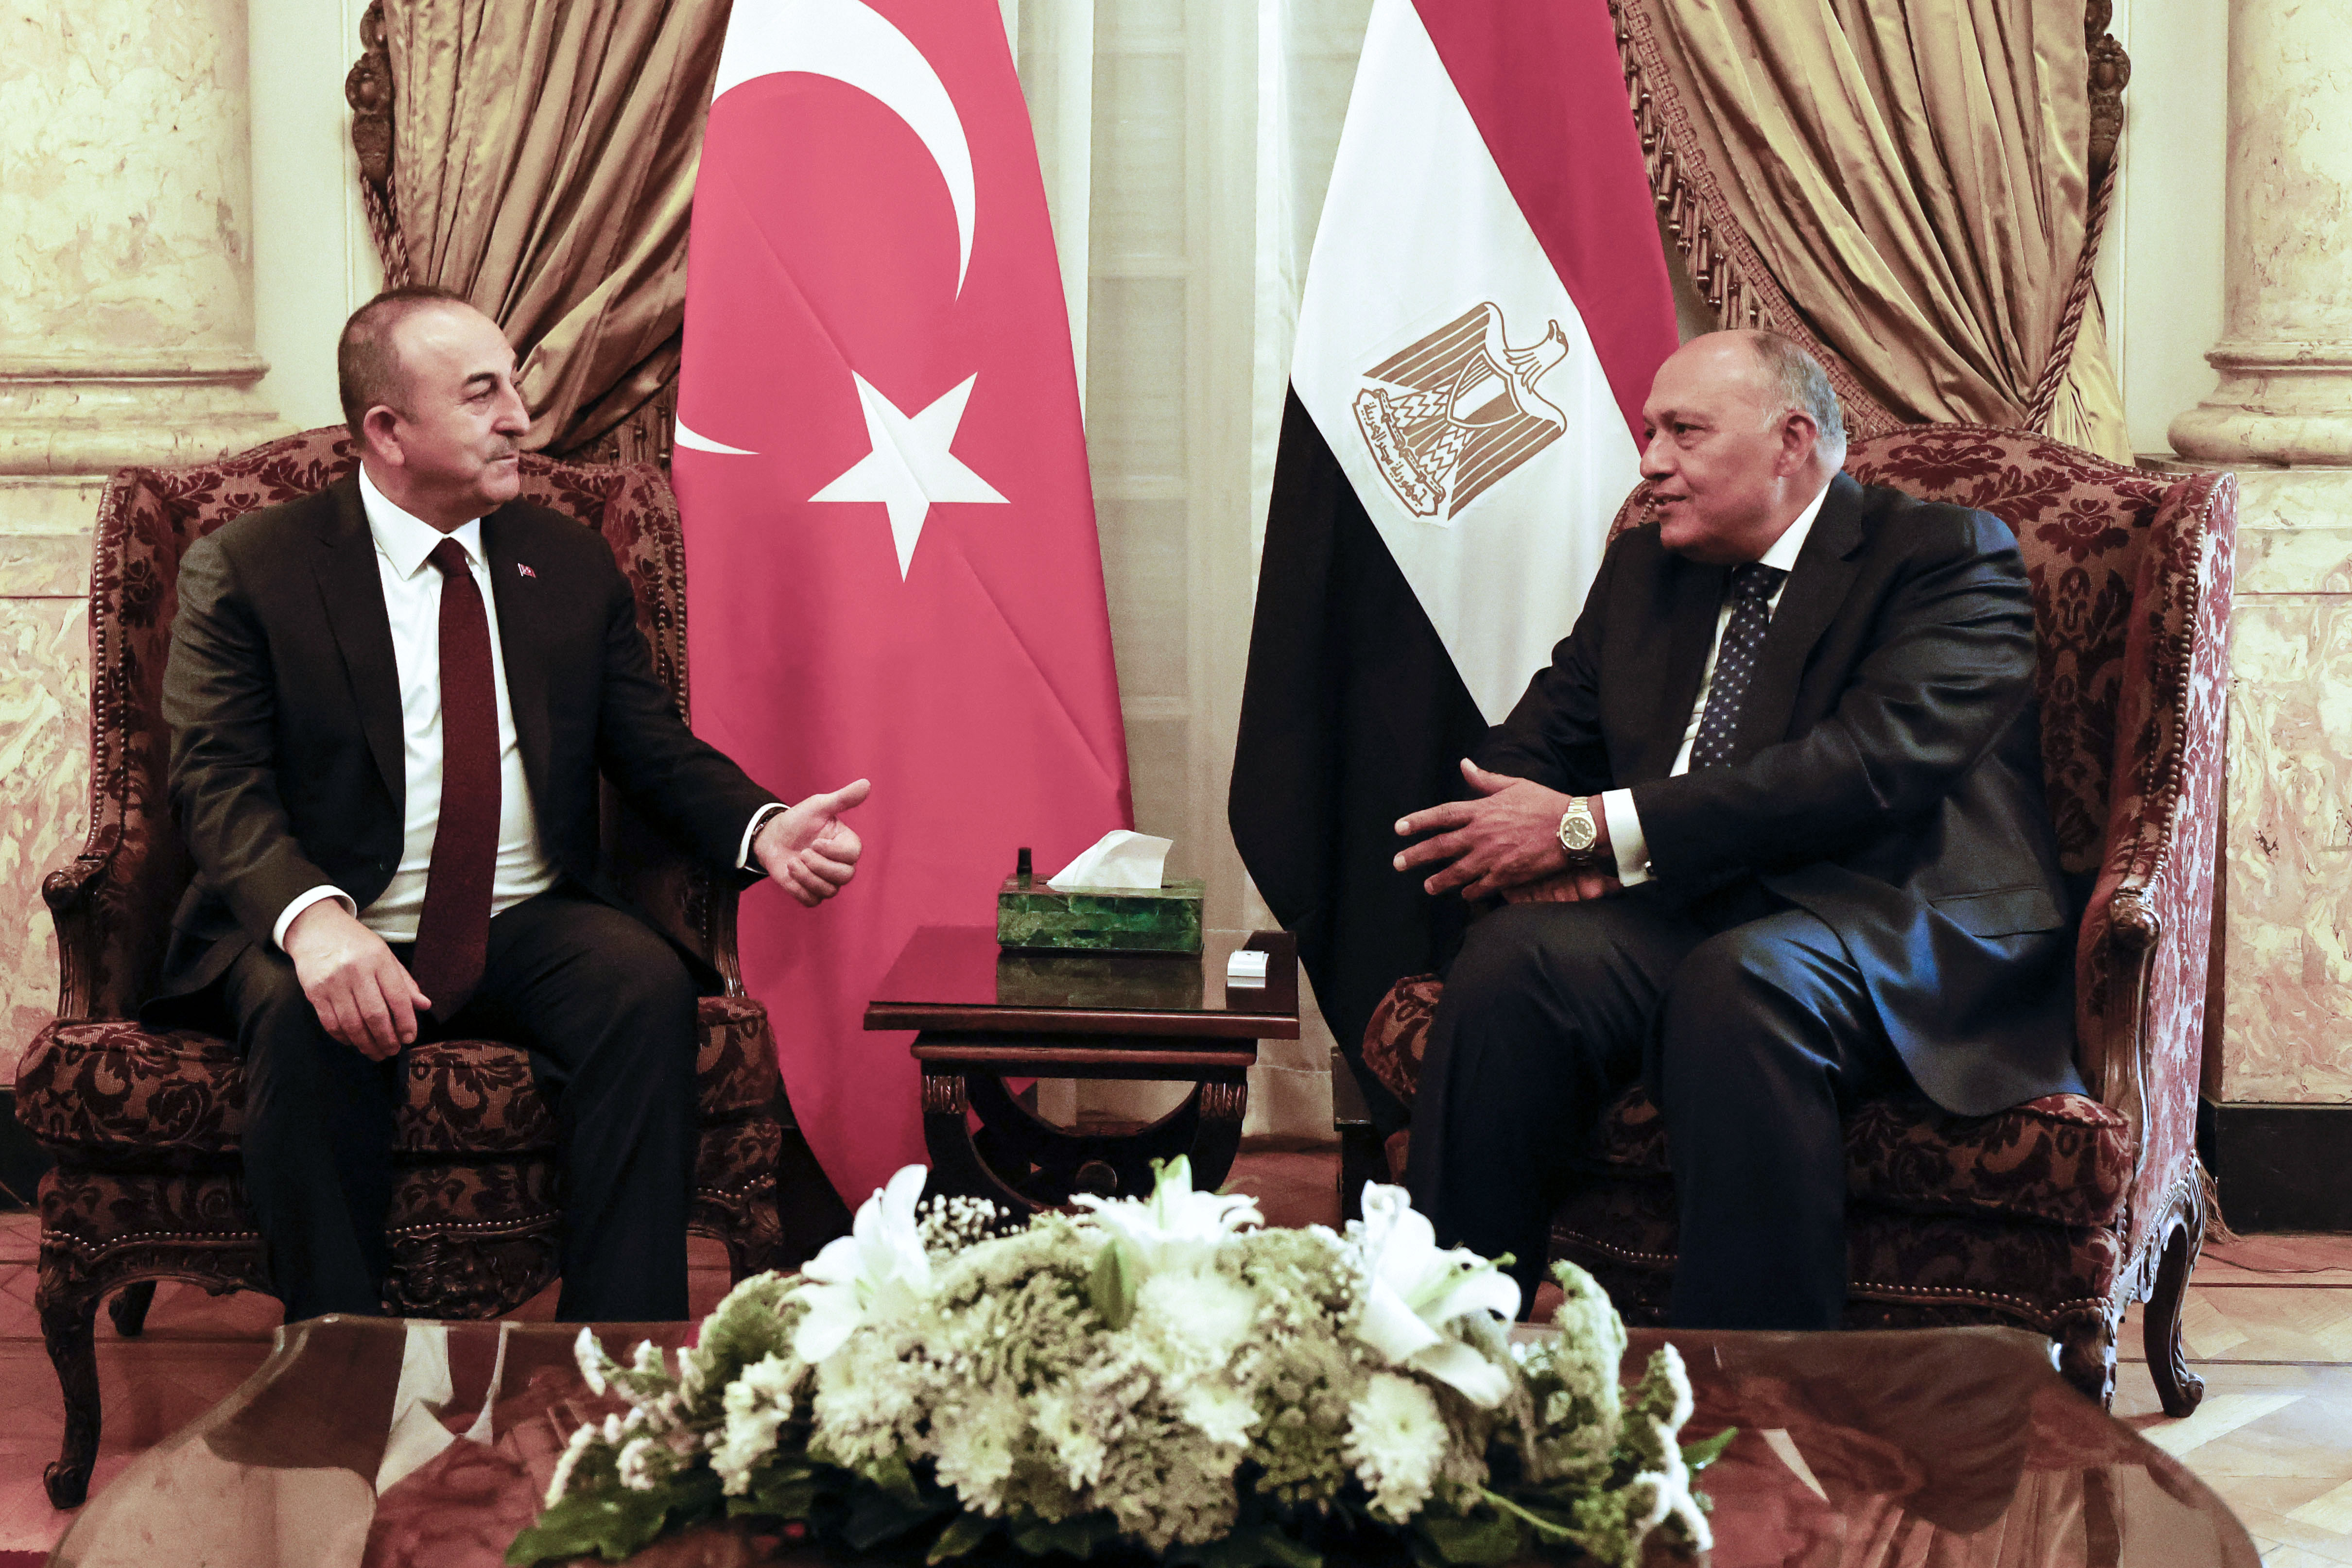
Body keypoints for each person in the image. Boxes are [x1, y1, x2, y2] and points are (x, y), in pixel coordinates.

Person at [151, 284, 870, 1323]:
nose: (520, 419)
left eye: (515, 387)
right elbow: (215, 780)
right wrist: (313, 923)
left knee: (641, 988)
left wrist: (761, 829)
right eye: (482, 393)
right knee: (309, 1022)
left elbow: (649, 746)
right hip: (331, 915)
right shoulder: (254, 569)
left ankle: (606, 1366)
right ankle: (344, 1370)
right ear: (387, 431)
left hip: (523, 919)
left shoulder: (565, 561)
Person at [1394, 329, 2081, 1328]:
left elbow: (1866, 767)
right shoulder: (1645, 570)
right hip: (1689, 904)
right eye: (1649, 433)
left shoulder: (1941, 557)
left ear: (1789, 442)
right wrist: (1520, 838)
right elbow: (1538, 742)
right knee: (1515, 962)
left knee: (1743, 983)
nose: (1649, 462)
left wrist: (1592, 833)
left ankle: (1756, 1387)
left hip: (1885, 920)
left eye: (1684, 432)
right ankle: (1445, 1339)